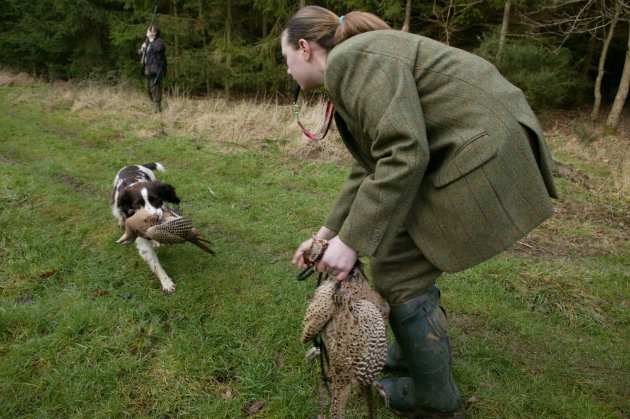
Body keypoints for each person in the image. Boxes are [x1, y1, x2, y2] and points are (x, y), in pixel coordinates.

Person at [285, 6, 558, 419]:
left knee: (398, 269)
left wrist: (352, 242)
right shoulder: (357, 59)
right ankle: (408, 351)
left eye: (285, 57)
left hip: (482, 149)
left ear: (304, 48)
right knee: (396, 253)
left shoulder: (350, 60)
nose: (287, 70)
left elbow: (403, 154)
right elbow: (371, 164)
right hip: (481, 141)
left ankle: (434, 399)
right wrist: (328, 235)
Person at [138, 25, 167, 113]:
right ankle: (155, 106)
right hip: (147, 70)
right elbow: (140, 52)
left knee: (156, 89)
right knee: (148, 90)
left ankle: (157, 109)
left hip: (156, 69)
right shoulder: (148, 42)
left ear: (154, 33)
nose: (147, 31)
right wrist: (143, 48)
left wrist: (150, 41)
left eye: (150, 30)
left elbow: (158, 48)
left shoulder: (159, 42)